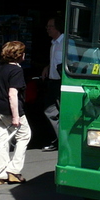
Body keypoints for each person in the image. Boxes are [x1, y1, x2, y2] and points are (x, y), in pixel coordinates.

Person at [0, 40, 32, 184]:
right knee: (24, 135)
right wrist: (16, 116)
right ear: (19, 55)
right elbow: (12, 95)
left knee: (2, 140)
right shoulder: (17, 70)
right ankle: (14, 170)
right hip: (9, 111)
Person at [40, 15, 65, 151]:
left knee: (60, 112)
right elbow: (55, 61)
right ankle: (59, 140)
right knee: (50, 111)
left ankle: (61, 141)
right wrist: (47, 67)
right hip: (52, 81)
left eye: (50, 26)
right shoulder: (54, 43)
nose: (47, 29)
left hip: (62, 82)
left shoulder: (67, 43)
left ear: (58, 28)